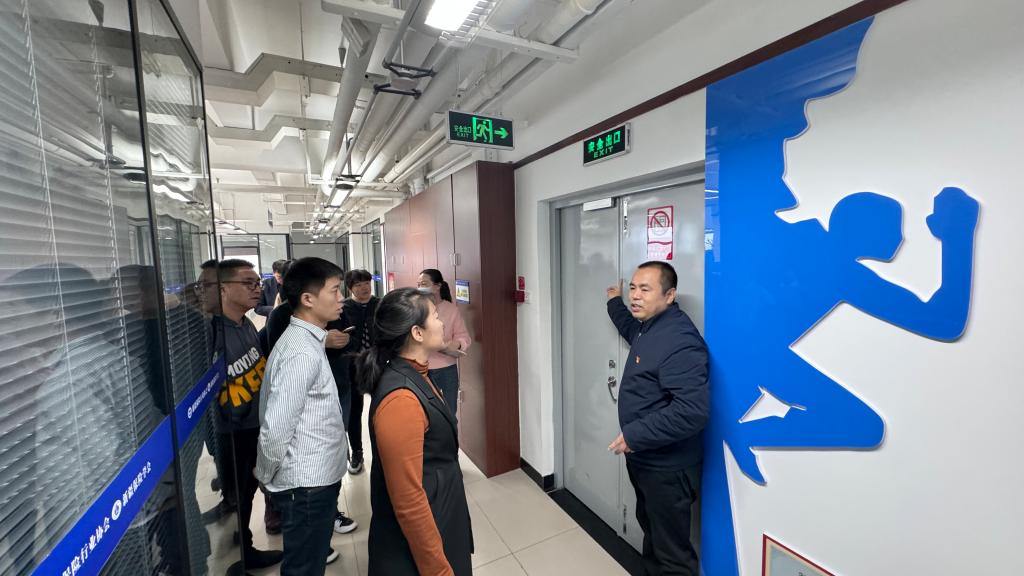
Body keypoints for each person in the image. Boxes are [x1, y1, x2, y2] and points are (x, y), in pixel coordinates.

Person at [354, 288, 473, 575]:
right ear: (417, 333)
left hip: (440, 510)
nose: (442, 323)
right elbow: (408, 502)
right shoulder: (401, 400)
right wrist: (438, 570)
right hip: (417, 542)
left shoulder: (417, 372)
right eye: (435, 317)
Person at [605, 261, 709, 576]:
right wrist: (614, 302)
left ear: (669, 295)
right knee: (652, 533)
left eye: (645, 289)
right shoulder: (648, 326)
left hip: (667, 469)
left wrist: (635, 435)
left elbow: (691, 411)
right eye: (633, 288)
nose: (635, 296)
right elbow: (628, 326)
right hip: (645, 460)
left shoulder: (680, 340)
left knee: (672, 555)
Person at [256, 257, 349, 575]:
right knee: (304, 568)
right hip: (307, 486)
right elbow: (276, 428)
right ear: (308, 299)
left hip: (312, 478)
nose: (341, 299)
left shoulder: (309, 340)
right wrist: (265, 475)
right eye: (334, 291)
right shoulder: (301, 352)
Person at [211, 259, 284, 574]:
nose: (258, 289)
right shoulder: (213, 333)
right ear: (223, 289)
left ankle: (247, 548)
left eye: (258, 282)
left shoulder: (246, 324)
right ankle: (240, 559)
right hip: (233, 430)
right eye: (248, 283)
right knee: (239, 493)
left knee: (250, 489)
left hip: (256, 424)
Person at [338, 269, 380, 476]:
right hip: (352, 365)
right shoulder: (343, 308)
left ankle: (382, 452)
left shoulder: (380, 304)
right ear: (350, 288)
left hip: (377, 364)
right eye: (358, 285)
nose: (364, 288)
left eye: (367, 283)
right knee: (355, 412)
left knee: (381, 410)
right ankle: (357, 452)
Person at [416, 269, 470, 423]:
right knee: (425, 413)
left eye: (424, 284)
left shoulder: (451, 309)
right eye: (418, 284)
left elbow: (463, 336)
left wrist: (456, 344)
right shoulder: (416, 308)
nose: (420, 288)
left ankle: (448, 438)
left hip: (447, 370)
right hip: (422, 368)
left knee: (449, 414)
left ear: (437, 286)